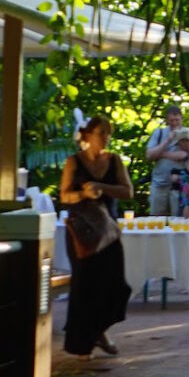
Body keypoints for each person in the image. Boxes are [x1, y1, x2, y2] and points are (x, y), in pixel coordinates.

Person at [57, 116, 132, 356]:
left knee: (115, 285)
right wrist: (83, 194)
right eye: (101, 132)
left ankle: (100, 329)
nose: (105, 137)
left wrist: (102, 188)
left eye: (108, 133)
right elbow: (64, 196)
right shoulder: (73, 162)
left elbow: (127, 191)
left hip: (108, 232)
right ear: (88, 136)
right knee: (84, 286)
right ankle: (86, 341)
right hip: (82, 232)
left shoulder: (114, 161)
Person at [144, 102, 189, 215]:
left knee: (178, 221)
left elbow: (184, 155)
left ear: (182, 119)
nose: (174, 123)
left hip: (179, 184)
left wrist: (160, 154)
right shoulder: (159, 133)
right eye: (171, 121)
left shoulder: (188, 134)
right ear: (167, 120)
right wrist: (167, 141)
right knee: (156, 220)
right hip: (159, 184)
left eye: (177, 120)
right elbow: (149, 155)